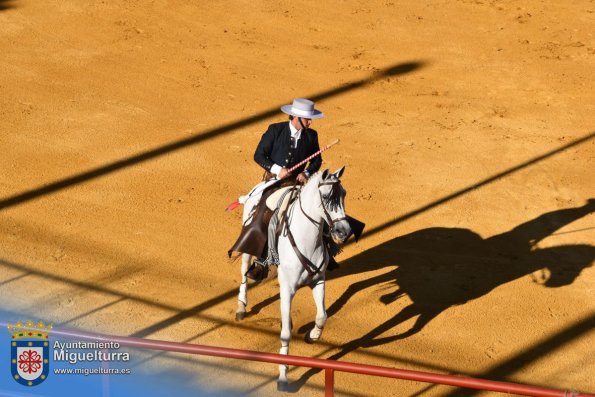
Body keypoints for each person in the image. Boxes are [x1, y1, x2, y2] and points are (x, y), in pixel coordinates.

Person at [245, 98, 325, 280]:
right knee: (264, 214)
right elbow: (259, 155)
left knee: (321, 209)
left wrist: (306, 173)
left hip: (297, 184)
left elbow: (317, 161)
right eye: (307, 119)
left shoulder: (312, 135)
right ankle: (261, 260)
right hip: (274, 183)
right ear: (296, 117)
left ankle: (325, 253)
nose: (310, 122)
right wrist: (277, 170)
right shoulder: (275, 130)